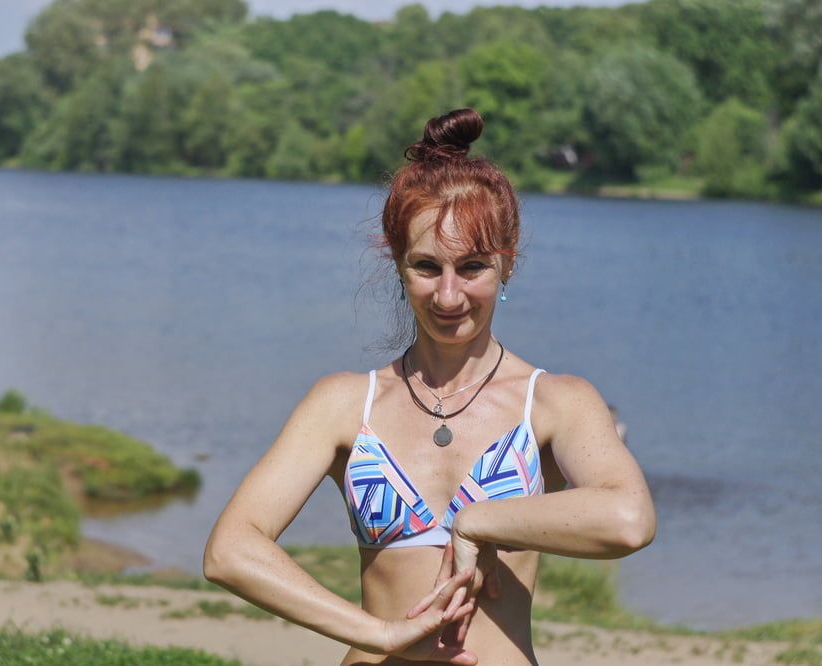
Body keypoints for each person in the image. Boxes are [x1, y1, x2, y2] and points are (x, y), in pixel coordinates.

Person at [203, 108, 656, 665]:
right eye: (425, 266)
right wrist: (377, 633)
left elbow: (629, 520)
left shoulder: (556, 402)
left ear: (506, 264)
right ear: (397, 264)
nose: (448, 296)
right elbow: (230, 550)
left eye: (471, 267)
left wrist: (479, 521)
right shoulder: (344, 403)